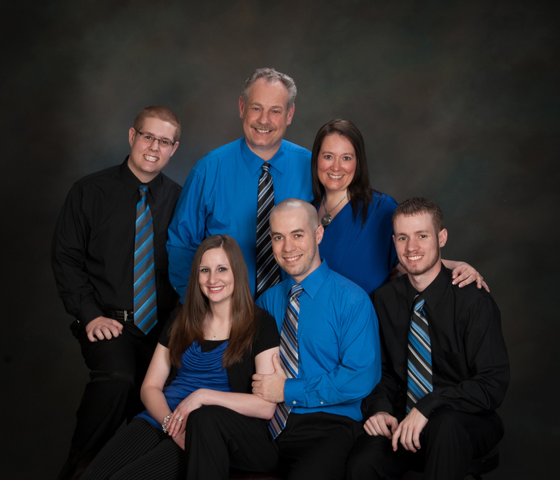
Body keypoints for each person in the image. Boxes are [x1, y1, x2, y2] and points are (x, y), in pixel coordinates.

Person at [185, 199, 381, 480]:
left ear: (318, 234)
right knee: (205, 419)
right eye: (278, 237)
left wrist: (287, 390)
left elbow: (360, 378)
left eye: (297, 235)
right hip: (266, 426)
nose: (288, 248)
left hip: (327, 427)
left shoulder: (351, 301)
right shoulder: (266, 302)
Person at [80, 235, 280, 480]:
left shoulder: (260, 324)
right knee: (92, 476)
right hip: (161, 417)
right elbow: (150, 387)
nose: (213, 279)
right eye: (205, 270)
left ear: (237, 272)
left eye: (222, 269)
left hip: (205, 431)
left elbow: (265, 406)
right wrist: (169, 424)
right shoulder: (181, 318)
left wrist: (202, 396)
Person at [52, 105, 182, 479]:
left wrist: (179, 330)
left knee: (172, 401)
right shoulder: (89, 191)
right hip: (109, 323)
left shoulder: (180, 200)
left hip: (164, 330)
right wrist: (90, 314)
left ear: (174, 149)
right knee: (119, 380)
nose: (154, 147)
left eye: (164, 141)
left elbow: (191, 267)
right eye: (148, 137)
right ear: (131, 136)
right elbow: (66, 258)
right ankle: (79, 471)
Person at [346, 198, 510, 480]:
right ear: (394, 242)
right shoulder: (383, 300)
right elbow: (382, 372)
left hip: (467, 418)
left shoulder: (473, 301)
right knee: (362, 462)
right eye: (403, 237)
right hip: (405, 418)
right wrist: (380, 410)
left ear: (441, 238)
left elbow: (492, 383)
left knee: (445, 426)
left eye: (422, 236)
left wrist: (430, 404)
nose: (411, 247)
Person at [167, 68, 313, 301]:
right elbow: (181, 245)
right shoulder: (208, 170)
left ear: (289, 114)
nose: (264, 120)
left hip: (297, 310)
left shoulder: (313, 168)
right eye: (256, 108)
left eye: (275, 110)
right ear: (242, 107)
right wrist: (200, 306)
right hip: (224, 309)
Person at [311, 119, 489, 295]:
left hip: (362, 313)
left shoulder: (381, 210)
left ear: (358, 162)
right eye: (328, 156)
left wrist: (458, 266)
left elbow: (414, 262)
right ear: (316, 159)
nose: (336, 167)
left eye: (346, 158)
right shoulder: (307, 210)